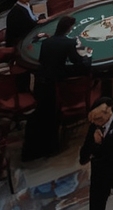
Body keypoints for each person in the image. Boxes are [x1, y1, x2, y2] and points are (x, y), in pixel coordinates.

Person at [22, 14, 92, 160]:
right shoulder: (69, 43)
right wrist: (87, 57)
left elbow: (42, 60)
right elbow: (77, 62)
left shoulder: (47, 42)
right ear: (69, 28)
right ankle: (48, 148)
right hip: (53, 84)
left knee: (41, 113)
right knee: (49, 114)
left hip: (41, 82)